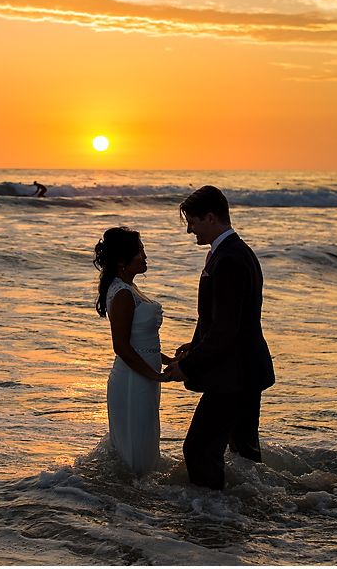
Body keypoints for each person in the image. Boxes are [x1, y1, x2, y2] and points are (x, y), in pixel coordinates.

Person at [164, 186, 275, 490]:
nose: (189, 230)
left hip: (234, 375)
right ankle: (257, 508)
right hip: (247, 369)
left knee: (198, 449)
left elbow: (226, 330)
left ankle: (211, 519)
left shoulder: (227, 259)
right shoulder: (238, 251)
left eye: (192, 222)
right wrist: (195, 345)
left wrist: (188, 366)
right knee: (244, 451)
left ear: (211, 218)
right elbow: (229, 321)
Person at [94, 226, 175, 473]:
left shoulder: (130, 288)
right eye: (139, 251)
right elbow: (121, 346)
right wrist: (157, 375)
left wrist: (167, 360)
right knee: (137, 458)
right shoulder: (122, 294)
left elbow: (142, 344)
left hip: (144, 378)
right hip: (133, 381)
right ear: (121, 260)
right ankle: (134, 506)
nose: (144, 256)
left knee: (145, 446)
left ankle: (140, 506)